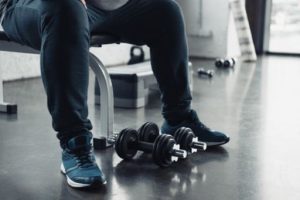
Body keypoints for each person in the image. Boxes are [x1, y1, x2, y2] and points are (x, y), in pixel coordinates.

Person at [0, 0, 230, 188]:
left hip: (96, 7)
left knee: (166, 12)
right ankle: (75, 144)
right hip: (30, 5)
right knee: (65, 9)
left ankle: (179, 117)